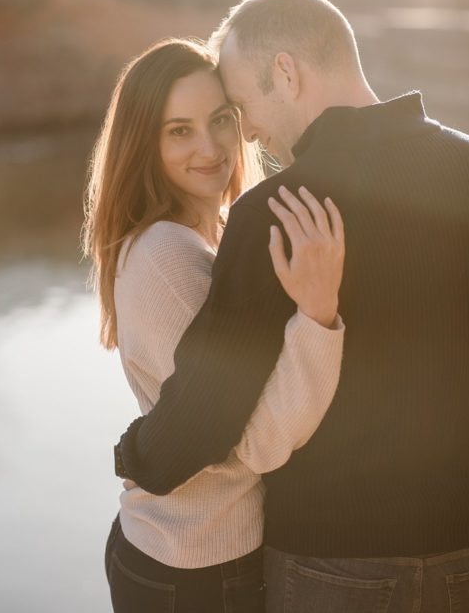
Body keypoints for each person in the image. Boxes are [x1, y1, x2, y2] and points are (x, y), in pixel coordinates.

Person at [115, 0, 469, 611]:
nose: (246, 131)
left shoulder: (275, 214)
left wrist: (134, 454)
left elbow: (206, 414)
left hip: (331, 558)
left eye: (240, 106)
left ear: (286, 73)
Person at [83, 37, 346, 612]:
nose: (211, 147)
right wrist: (318, 318)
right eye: (180, 130)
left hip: (179, 547)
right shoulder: (167, 254)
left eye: (222, 120)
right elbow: (254, 443)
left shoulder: (214, 230)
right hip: (198, 564)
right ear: (143, 141)